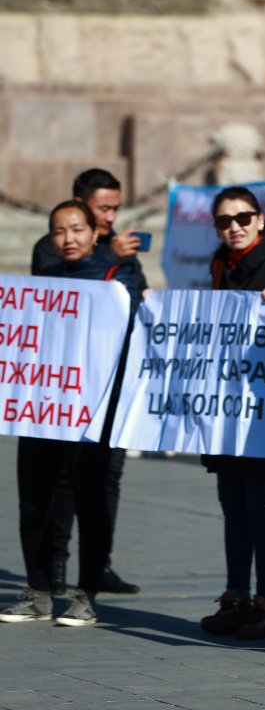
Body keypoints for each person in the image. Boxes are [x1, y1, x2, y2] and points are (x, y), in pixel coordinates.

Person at [1, 201, 141, 627]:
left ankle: (86, 595)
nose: (68, 239)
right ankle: (38, 591)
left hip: (91, 417)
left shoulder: (117, 279)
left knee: (90, 503)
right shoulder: (43, 281)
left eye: (77, 229)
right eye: (59, 231)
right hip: (42, 411)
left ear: (96, 232)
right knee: (33, 502)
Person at [30, 167, 146, 597]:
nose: (109, 216)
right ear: (80, 203)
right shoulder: (51, 250)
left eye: (115, 208)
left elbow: (133, 299)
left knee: (104, 482)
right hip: (60, 393)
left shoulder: (116, 256)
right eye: (102, 208)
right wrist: (108, 257)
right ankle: (54, 568)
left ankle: (99, 567)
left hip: (105, 391)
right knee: (59, 484)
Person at [198, 187, 265, 641]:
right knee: (233, 507)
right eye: (224, 221)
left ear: (260, 220)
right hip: (227, 409)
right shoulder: (223, 266)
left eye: (243, 217)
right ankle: (236, 596)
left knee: (260, 509)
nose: (234, 227)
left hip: (263, 412)